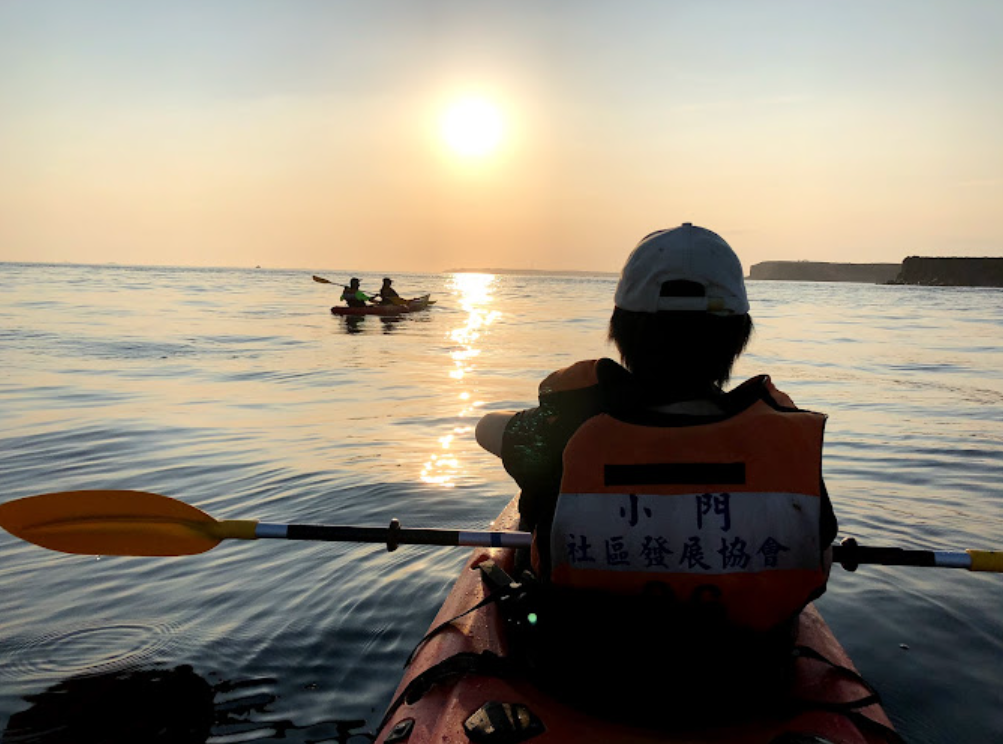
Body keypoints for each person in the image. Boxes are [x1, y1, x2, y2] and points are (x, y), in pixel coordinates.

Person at [475, 223, 837, 721]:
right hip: (746, 682)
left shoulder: (563, 429)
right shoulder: (787, 442)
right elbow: (818, 553)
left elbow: (485, 429)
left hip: (582, 676)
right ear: (739, 336)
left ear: (620, 330)